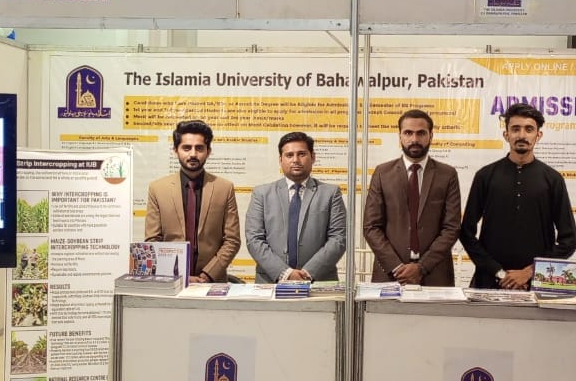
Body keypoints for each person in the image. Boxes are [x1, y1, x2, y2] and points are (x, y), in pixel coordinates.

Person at [460, 102, 576, 289]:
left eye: (529, 129)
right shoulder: (485, 176)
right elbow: (466, 232)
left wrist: (530, 272)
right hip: (490, 281)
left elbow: (569, 240)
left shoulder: (552, 179)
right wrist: (499, 272)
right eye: (515, 129)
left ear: (538, 135)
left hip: (537, 283)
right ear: (506, 134)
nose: (522, 135)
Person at [363, 109, 462, 285]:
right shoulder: (382, 173)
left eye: (421, 133)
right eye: (408, 133)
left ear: (431, 136)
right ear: (400, 136)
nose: (414, 139)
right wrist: (396, 267)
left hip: (435, 274)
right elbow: (371, 226)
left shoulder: (447, 174)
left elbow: (451, 228)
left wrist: (422, 267)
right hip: (390, 274)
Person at [144, 119, 241, 283]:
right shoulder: (157, 189)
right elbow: (152, 241)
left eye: (199, 148)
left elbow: (232, 240)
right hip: (170, 281)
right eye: (186, 148)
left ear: (208, 151)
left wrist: (207, 275)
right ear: (175, 150)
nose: (193, 154)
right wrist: (181, 277)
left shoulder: (224, 188)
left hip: (212, 282)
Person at [246, 131, 347, 283]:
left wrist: (308, 273)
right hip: (271, 282)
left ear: (313, 157)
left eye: (301, 154)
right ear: (280, 160)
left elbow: (338, 238)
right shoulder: (261, 194)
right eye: (289, 155)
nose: (295, 160)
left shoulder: (331, 193)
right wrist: (285, 273)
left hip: (318, 280)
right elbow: (254, 239)